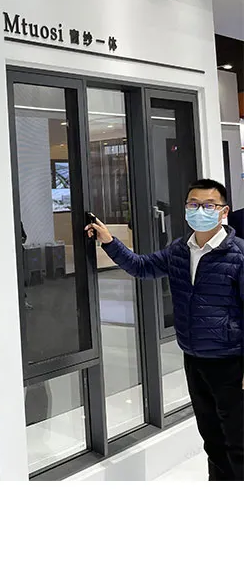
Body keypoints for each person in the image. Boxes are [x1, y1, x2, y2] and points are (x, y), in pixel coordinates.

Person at [86, 179, 243, 481]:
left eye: (208, 205)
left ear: (224, 212)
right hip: (194, 359)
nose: (200, 211)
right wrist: (109, 241)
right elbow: (142, 266)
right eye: (193, 204)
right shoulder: (179, 251)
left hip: (231, 363)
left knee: (239, 443)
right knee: (212, 440)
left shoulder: (238, 254)